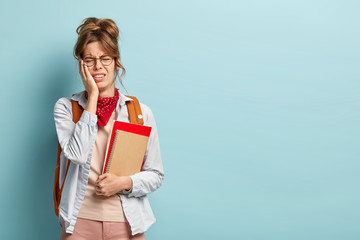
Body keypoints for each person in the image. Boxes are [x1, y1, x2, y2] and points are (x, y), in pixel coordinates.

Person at [54, 17, 164, 240]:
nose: (98, 67)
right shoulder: (66, 108)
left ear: (116, 61)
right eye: (89, 59)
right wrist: (92, 96)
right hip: (79, 224)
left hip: (126, 223)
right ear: (81, 64)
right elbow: (77, 155)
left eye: (105, 58)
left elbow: (156, 174)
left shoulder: (139, 113)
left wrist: (125, 183)